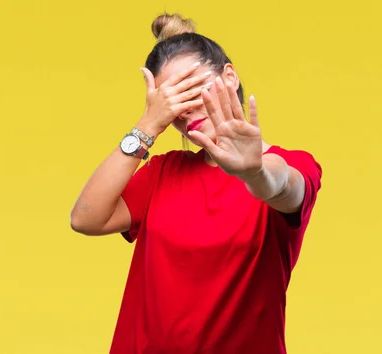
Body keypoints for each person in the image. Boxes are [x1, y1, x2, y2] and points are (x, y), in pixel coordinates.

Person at [69, 12, 322, 354]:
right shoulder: (163, 172)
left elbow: (282, 186)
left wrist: (253, 172)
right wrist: (148, 125)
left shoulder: (293, 165)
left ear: (228, 76)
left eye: (193, 87)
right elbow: (85, 218)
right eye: (172, 100)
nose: (186, 108)